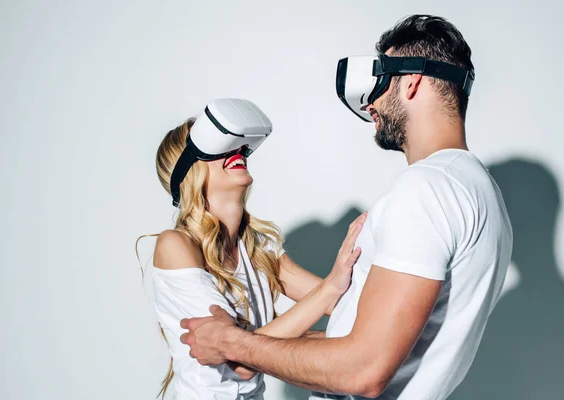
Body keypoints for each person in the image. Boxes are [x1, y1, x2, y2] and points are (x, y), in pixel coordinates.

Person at [180, 15, 513, 400]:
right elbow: (384, 343)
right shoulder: (481, 191)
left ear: (411, 82)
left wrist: (230, 343)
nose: (369, 101)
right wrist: (259, 344)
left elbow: (363, 369)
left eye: (378, 84)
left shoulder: (426, 188)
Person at [137, 110, 367, 399]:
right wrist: (330, 288)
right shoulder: (176, 246)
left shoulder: (258, 247)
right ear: (189, 168)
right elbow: (241, 362)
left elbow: (343, 303)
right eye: (216, 146)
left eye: (234, 144)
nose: (234, 151)